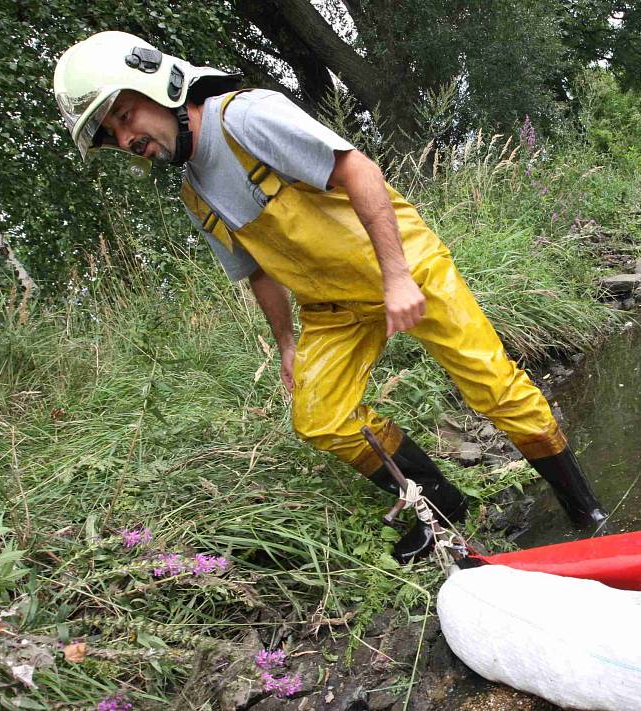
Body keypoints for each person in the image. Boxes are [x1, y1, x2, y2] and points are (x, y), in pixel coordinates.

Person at [54, 31, 607, 564]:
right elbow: (257, 271)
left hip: (404, 265)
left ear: (161, 86)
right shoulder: (192, 193)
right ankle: (442, 506)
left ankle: (586, 514)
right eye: (110, 134)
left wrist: (396, 277)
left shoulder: (245, 118)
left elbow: (358, 170)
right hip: (332, 306)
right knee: (318, 416)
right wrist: (286, 343)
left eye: (125, 116)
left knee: (493, 387)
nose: (127, 140)